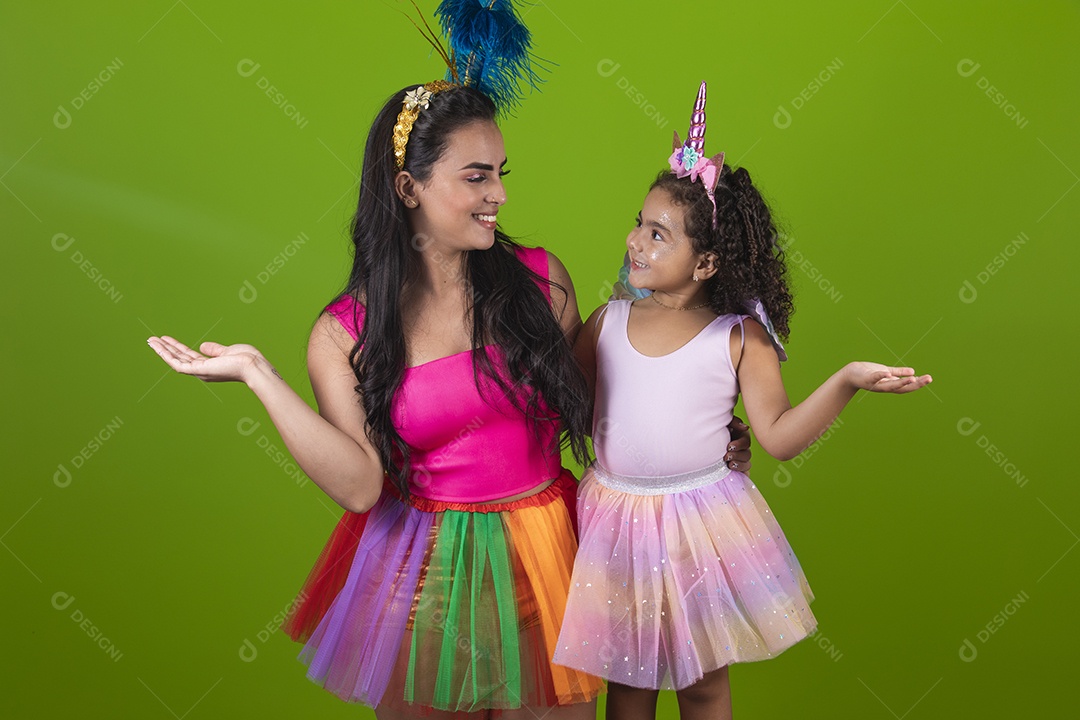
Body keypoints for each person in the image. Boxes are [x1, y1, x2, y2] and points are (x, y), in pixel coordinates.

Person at [147, 79, 752, 718]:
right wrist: (258, 375)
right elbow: (358, 487)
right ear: (409, 188)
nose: (499, 194)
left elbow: (608, 404)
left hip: (550, 563)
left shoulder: (542, 282)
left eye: (500, 173)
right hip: (426, 580)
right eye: (475, 177)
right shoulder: (345, 331)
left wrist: (712, 439)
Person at [552, 82, 932, 720]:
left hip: (699, 526)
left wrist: (845, 380)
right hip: (615, 522)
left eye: (658, 234)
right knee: (629, 684)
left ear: (705, 263)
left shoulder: (738, 338)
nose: (635, 242)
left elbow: (779, 436)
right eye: (639, 225)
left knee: (702, 684)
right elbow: (564, 406)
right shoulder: (606, 322)